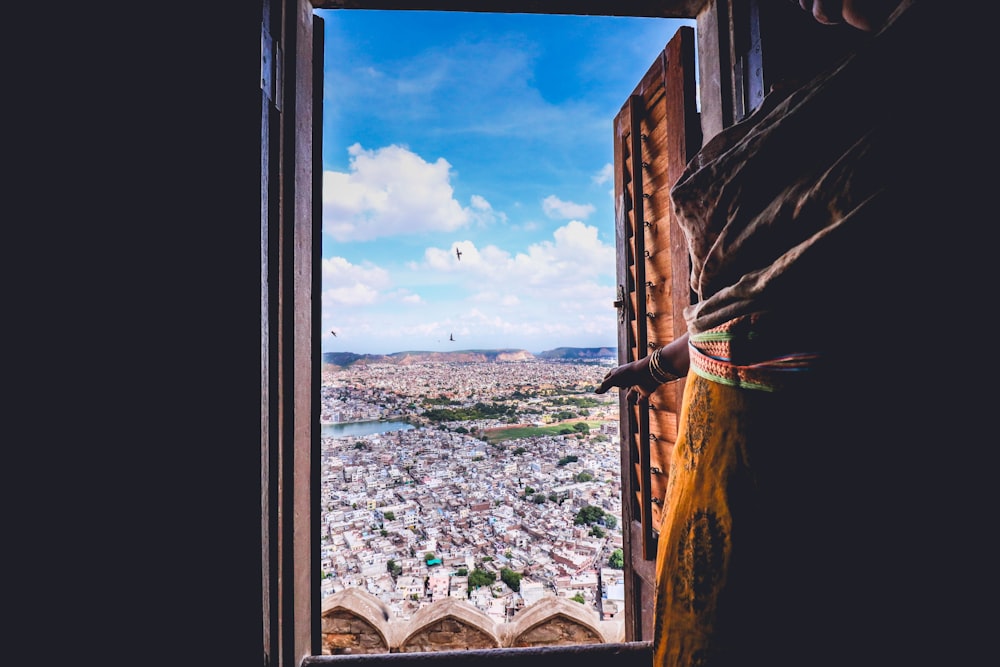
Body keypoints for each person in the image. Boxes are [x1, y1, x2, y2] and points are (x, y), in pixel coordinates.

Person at [596, 1, 956, 664]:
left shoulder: (946, 92)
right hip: (722, 464)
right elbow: (746, 311)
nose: (809, 6)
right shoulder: (842, 91)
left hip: (828, 484)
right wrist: (652, 367)